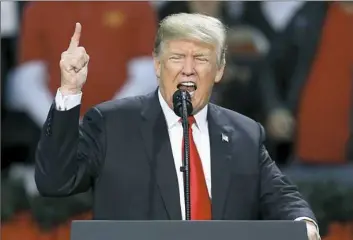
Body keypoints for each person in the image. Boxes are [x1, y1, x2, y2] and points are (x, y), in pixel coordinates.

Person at [34, 13, 320, 240]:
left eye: (201, 59)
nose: (188, 68)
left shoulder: (244, 134)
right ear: (157, 65)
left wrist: (303, 223)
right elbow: (55, 181)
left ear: (219, 70)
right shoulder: (111, 124)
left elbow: (281, 197)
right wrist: (69, 91)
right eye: (176, 57)